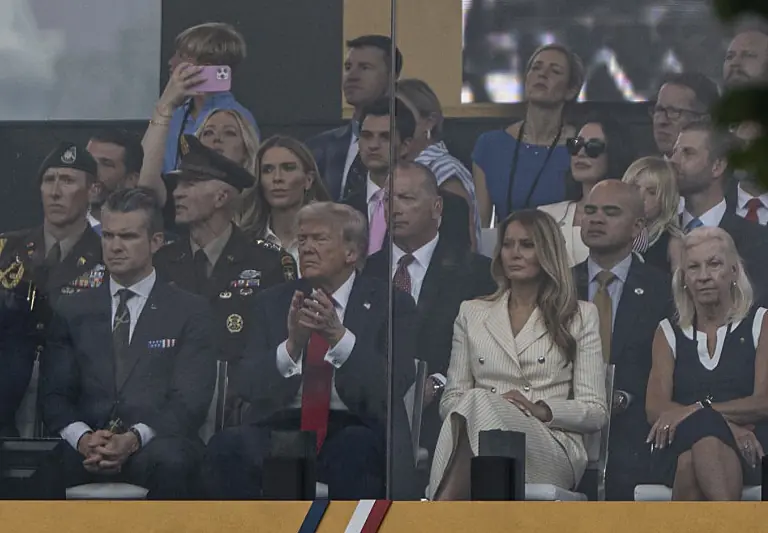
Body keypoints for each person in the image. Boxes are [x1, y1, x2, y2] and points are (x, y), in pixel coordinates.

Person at [202, 202, 417, 500]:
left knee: (356, 448)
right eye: (302, 240)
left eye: (320, 239)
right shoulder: (272, 302)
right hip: (284, 426)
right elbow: (244, 383)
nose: (307, 248)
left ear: (351, 253)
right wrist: (291, 347)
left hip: (355, 426)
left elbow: (394, 384)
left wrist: (339, 338)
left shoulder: (391, 305)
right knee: (227, 446)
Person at [35, 187, 216, 499]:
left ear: (156, 241)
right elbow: (54, 396)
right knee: (37, 482)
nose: (115, 247)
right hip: (89, 446)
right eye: (108, 236)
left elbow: (189, 401)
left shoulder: (190, 311)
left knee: (177, 468)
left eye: (128, 237)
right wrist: (84, 439)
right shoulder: (72, 308)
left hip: (160, 445)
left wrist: (132, 439)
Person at [428, 209, 608, 500]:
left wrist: (540, 409)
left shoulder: (579, 316)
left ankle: (440, 511)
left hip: (549, 443)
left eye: (526, 245)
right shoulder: (472, 312)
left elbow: (595, 411)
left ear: (547, 251)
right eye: (508, 245)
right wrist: (491, 409)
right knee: (476, 402)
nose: (514, 253)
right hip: (479, 441)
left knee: (477, 401)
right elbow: (450, 399)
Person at [364, 161, 495, 461]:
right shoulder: (366, 272)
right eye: (388, 199)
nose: (394, 209)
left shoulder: (476, 273)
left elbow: (483, 350)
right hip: (375, 412)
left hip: (444, 410)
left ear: (437, 207)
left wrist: (437, 382)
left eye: (407, 199)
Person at [646, 227, 768, 500]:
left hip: (752, 446)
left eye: (714, 264)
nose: (703, 277)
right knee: (705, 443)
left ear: (734, 271)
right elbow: (655, 408)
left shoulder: (761, 323)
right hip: (682, 444)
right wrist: (725, 425)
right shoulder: (668, 332)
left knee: (694, 460)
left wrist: (700, 411)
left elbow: (764, 401)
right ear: (684, 278)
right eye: (693, 267)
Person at [154, 135, 289, 371]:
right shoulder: (161, 261)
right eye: (177, 185)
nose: (177, 193)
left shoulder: (267, 262)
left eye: (190, 184)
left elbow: (276, 347)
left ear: (221, 197)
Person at [573, 180, 673, 500]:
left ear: (637, 227)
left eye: (610, 212)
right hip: (566, 423)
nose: (596, 219)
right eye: (590, 211)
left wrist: (626, 397)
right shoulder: (556, 284)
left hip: (635, 430)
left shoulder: (664, 291)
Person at [0, 142, 104, 437]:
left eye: (68, 181)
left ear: (93, 191)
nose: (55, 192)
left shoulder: (108, 252)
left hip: (75, 388)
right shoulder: (6, 248)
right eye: (49, 180)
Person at [473, 44, 584, 226]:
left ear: (570, 90)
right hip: (506, 249)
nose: (542, 74)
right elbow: (480, 225)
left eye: (555, 71)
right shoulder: (490, 145)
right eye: (536, 68)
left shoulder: (581, 146)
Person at [349, 97, 471, 255]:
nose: (373, 145)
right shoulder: (344, 209)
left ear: (405, 145)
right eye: (366, 136)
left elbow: (460, 267)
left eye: (385, 137)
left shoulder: (449, 207)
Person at [671, 123, 768, 304]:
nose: (674, 161)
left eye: (688, 153)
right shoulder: (660, 236)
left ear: (717, 165)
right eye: (674, 152)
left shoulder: (759, 242)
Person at [305, 35, 403, 201]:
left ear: (392, 76)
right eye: (348, 67)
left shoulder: (408, 146)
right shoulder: (317, 149)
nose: (352, 76)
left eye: (365, 68)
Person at [161, 23, 258, 174]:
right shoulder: (174, 114)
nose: (171, 62)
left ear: (205, 66)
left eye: (181, 56)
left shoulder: (239, 118)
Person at [396, 78, 480, 248]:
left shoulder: (447, 172)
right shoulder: (395, 168)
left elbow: (461, 245)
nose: (394, 123)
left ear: (429, 121)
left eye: (403, 115)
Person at [539, 116, 632, 266]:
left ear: (614, 154)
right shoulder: (546, 217)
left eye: (593, 147)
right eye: (575, 144)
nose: (581, 153)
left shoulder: (630, 220)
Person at [237, 135, 332, 267]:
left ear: (308, 180)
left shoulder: (333, 238)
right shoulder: (243, 242)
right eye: (268, 170)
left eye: (288, 168)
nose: (277, 178)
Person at [622, 156, 684, 272]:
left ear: (666, 200)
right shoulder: (614, 232)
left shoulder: (673, 243)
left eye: (651, 192)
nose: (641, 197)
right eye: (635, 188)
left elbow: (678, 286)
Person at [86, 129, 144, 233]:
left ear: (130, 179)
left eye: (106, 164)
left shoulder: (144, 237)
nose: (91, 168)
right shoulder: (62, 230)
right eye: (87, 160)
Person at [650, 72, 719, 158]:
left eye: (674, 111)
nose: (661, 121)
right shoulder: (640, 169)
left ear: (703, 119)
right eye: (659, 110)